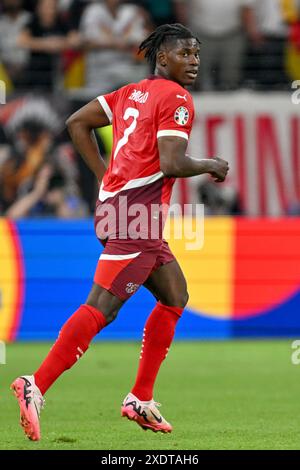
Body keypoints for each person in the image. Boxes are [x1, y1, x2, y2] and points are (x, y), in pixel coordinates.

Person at [11, 23, 229, 440]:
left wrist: (105, 176)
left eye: (197, 53)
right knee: (102, 308)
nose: (195, 61)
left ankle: (140, 398)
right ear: (162, 58)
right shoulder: (177, 98)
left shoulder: (131, 92)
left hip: (122, 211)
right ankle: (34, 385)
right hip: (136, 217)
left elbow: (77, 122)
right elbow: (172, 162)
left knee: (174, 295)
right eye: (185, 53)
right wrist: (211, 165)